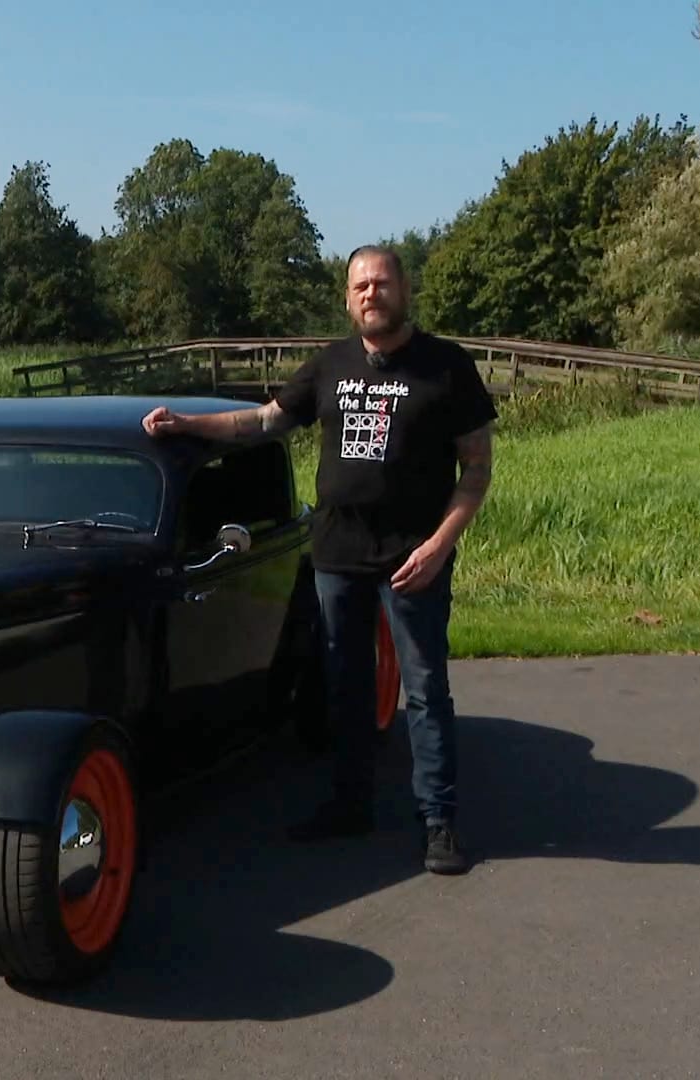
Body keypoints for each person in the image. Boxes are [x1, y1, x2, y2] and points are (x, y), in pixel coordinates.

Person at [140, 245, 496, 875]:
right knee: (345, 684)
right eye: (360, 285)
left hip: (414, 557)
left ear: (403, 289)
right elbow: (263, 422)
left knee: (424, 687)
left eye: (382, 283)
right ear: (347, 296)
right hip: (338, 554)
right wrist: (186, 424)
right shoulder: (329, 365)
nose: (371, 294)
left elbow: (475, 473)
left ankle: (438, 821)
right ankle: (350, 804)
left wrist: (440, 546)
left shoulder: (445, 367)